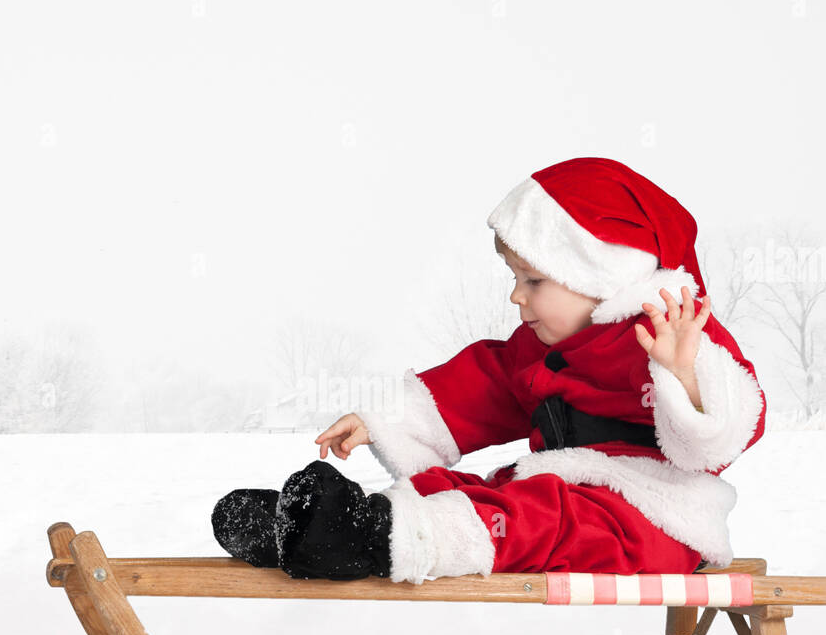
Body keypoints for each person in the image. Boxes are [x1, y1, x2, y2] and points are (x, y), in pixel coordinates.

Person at [211, 157, 766, 583]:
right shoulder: (539, 350)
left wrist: (685, 376)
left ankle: (372, 538)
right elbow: (482, 387)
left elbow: (722, 433)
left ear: (600, 274)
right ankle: (331, 525)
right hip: (567, 488)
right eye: (515, 278)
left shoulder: (672, 333)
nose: (515, 297)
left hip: (655, 521)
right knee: (471, 492)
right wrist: (382, 419)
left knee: (536, 519)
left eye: (534, 281)